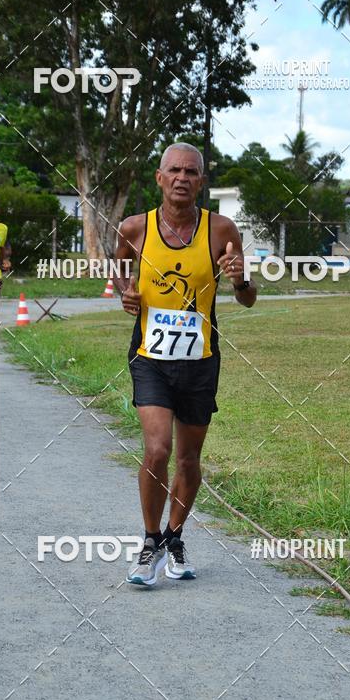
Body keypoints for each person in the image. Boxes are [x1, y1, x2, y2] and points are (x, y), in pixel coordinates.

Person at [113, 142, 257, 587]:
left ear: (201, 182)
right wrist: (126, 293)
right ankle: (149, 541)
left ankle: (174, 538)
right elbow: (119, 272)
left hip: (200, 360)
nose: (182, 178)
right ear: (159, 178)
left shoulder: (221, 230)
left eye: (191, 172)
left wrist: (240, 280)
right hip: (150, 358)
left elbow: (248, 298)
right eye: (174, 170)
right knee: (158, 449)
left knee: (189, 459)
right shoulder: (135, 228)